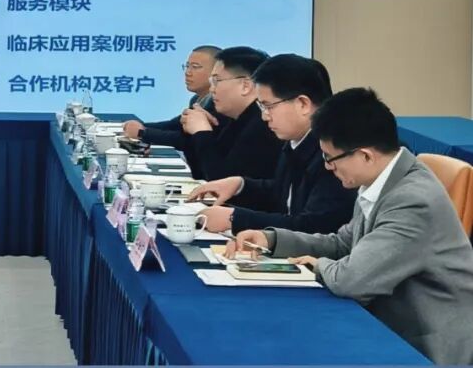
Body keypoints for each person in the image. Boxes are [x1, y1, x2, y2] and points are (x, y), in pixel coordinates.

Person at [227, 88, 473, 365]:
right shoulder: (382, 179)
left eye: (330, 158)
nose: (328, 167)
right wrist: (272, 240)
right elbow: (343, 243)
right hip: (388, 321)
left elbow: (352, 280)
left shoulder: (412, 201)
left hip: (425, 346)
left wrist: (317, 265)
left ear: (365, 155)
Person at [188, 54, 354, 234]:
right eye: (261, 107)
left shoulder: (334, 152)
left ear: (303, 104)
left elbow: (313, 227)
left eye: (268, 106)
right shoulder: (295, 140)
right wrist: (240, 185)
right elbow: (281, 194)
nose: (264, 116)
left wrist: (235, 219)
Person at [182, 46, 281, 180]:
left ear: (245, 86)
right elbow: (200, 171)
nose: (212, 89)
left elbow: (223, 181)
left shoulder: (263, 124)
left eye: (217, 81)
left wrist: (202, 132)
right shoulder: (235, 118)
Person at [122, 45, 221, 148]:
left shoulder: (219, 104)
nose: (188, 73)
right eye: (187, 66)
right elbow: (174, 125)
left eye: (195, 67)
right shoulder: (197, 99)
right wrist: (139, 127)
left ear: (216, 72)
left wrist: (143, 133)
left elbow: (187, 140)